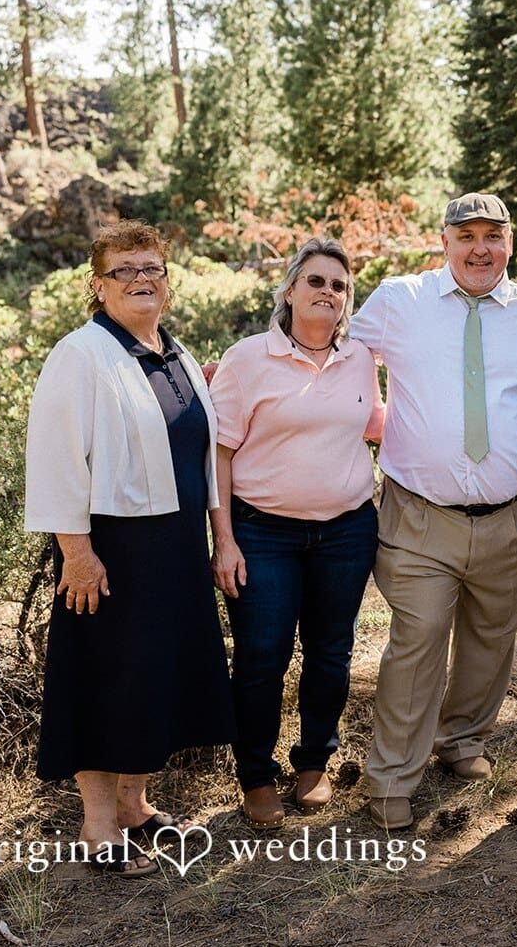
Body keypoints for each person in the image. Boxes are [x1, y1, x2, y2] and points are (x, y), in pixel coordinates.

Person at [351, 193, 517, 830]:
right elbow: (333, 353)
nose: (480, 248)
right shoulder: (399, 301)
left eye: (493, 235)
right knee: (419, 637)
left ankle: (462, 737)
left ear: (510, 243)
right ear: (445, 242)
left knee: (491, 636)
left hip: (511, 517)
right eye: (467, 236)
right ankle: (391, 776)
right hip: (418, 516)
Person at [24, 220, 234, 877]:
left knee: (155, 677)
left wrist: (215, 536)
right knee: (104, 678)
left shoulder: (175, 354)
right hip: (110, 550)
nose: (141, 279)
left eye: (152, 268)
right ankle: (98, 826)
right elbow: (56, 459)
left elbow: (199, 453)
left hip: (175, 543)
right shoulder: (80, 354)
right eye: (125, 270)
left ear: (166, 282)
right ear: (98, 285)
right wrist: (77, 554)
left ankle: (135, 804)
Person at [208, 238, 386, 828]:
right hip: (263, 534)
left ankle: (314, 762)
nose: (328, 292)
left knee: (332, 651)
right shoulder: (247, 358)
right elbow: (220, 453)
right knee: (263, 654)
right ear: (289, 290)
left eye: (339, 285)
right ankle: (256, 775)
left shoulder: (359, 358)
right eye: (316, 280)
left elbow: (377, 425)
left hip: (347, 532)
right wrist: (224, 540)